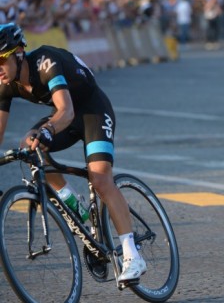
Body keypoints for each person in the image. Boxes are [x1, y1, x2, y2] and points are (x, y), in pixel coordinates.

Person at [0, 23, 146, 283]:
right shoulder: (5, 83)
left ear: (19, 53)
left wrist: (47, 130)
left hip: (91, 110)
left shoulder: (45, 62)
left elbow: (65, 111)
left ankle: (132, 255)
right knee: (27, 147)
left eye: (0, 60)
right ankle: (74, 204)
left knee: (100, 179)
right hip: (64, 116)